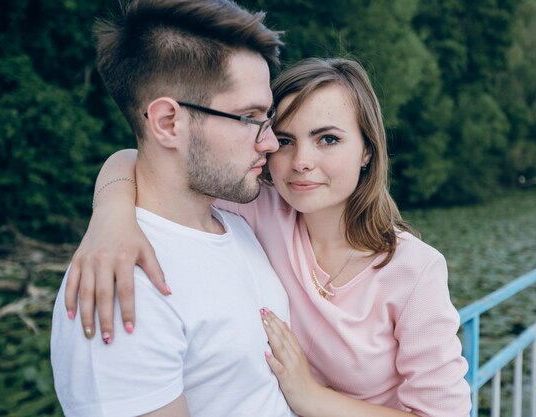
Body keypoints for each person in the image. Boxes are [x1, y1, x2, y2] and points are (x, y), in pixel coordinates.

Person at [66, 58, 472, 416]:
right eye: (286, 140)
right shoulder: (258, 209)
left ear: (367, 150)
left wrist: (311, 397)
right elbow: (137, 157)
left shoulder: (412, 269)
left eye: (327, 139)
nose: (301, 163)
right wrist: (110, 216)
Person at [50, 0, 296, 416]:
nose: (270, 142)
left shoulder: (236, 222)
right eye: (249, 117)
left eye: (267, 115)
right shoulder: (121, 288)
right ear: (167, 123)